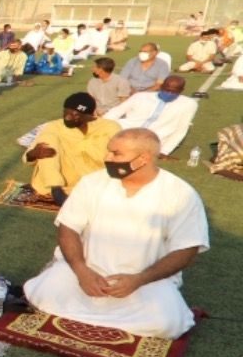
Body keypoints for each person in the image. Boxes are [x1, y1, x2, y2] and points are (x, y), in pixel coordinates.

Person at [22, 128, 207, 338]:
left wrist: (139, 279)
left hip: (144, 281)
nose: (107, 158)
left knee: (167, 324)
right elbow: (68, 228)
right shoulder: (93, 182)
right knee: (42, 295)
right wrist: (82, 271)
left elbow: (187, 250)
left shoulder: (180, 194)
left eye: (116, 154)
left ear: (143, 159)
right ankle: (113, 317)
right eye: (108, 151)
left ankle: (99, 313)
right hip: (85, 273)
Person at [23, 93, 120, 204]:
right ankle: (55, 188)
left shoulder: (110, 127)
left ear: (89, 116)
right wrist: (33, 154)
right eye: (66, 112)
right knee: (48, 141)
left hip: (94, 177)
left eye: (75, 114)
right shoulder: (55, 126)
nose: (68, 117)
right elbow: (28, 157)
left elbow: (121, 153)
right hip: (63, 177)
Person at [104, 75, 198, 157]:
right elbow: (116, 112)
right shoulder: (141, 97)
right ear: (161, 87)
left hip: (152, 141)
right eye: (167, 90)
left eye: (174, 92)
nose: (169, 94)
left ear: (181, 91)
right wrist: (101, 126)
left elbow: (180, 130)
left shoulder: (188, 104)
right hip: (126, 132)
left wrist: (164, 151)